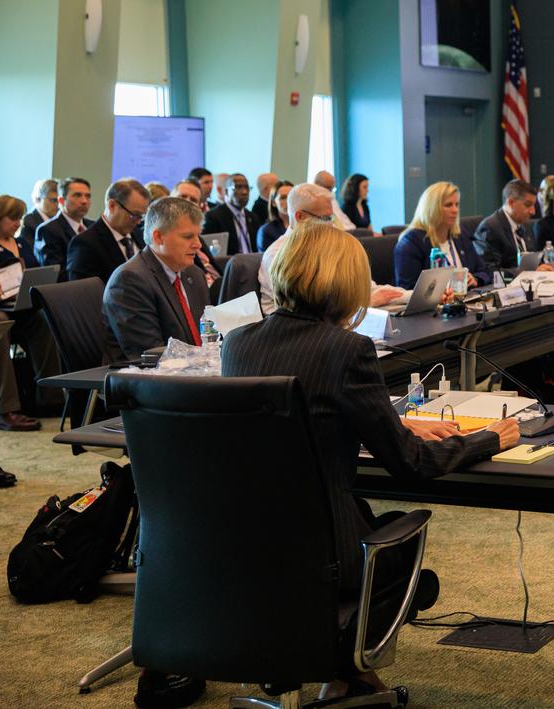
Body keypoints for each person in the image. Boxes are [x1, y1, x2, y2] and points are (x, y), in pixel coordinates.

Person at [221, 222, 518, 701]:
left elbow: (298, 420)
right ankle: (350, 670)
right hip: (328, 556)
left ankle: (346, 676)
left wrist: (393, 420)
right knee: (403, 545)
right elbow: (410, 462)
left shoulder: (238, 344)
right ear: (347, 282)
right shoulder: (348, 349)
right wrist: (488, 439)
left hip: (248, 549)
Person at [259, 183, 404, 316]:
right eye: (324, 219)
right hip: (297, 332)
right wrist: (366, 303)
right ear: (300, 217)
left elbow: (365, 287)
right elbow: (300, 312)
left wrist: (405, 296)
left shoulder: (328, 243)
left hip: (339, 318)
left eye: (331, 218)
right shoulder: (279, 254)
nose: (331, 225)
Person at [102, 197, 211, 362]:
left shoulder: (194, 274)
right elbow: (151, 354)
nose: (198, 244)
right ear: (159, 237)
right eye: (188, 237)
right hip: (149, 381)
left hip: (195, 373)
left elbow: (207, 336)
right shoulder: (129, 281)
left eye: (197, 236)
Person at [0, 197, 43, 431]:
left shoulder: (22, 243)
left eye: (20, 218)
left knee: (44, 319)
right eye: (12, 217)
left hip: (21, 304)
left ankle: (48, 395)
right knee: (0, 323)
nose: (17, 223)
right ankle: (5, 408)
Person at [394, 181, 490, 290]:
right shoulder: (411, 242)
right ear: (431, 208)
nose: (455, 210)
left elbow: (484, 270)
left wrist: (475, 278)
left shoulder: (461, 235)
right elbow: (407, 289)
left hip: (466, 300)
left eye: (457, 204)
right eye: (448, 205)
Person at [66, 179, 151, 284]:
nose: (138, 222)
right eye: (134, 215)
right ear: (112, 205)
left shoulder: (139, 235)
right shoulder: (85, 244)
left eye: (141, 216)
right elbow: (84, 294)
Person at [474, 179, 542, 273]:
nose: (533, 211)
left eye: (534, 205)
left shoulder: (524, 225)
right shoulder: (490, 228)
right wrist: (523, 272)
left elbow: (529, 259)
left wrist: (543, 266)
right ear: (511, 202)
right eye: (528, 205)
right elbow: (492, 272)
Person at [33, 176, 93, 276]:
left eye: (88, 196)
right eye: (77, 195)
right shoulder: (48, 230)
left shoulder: (92, 226)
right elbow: (56, 274)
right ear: (61, 200)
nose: (84, 201)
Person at [171, 180, 222, 292]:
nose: (187, 202)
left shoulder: (198, 237)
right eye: (182, 197)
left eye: (193, 200)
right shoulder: (168, 239)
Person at [202, 173, 260, 255]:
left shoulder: (253, 217)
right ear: (226, 191)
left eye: (247, 188)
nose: (244, 192)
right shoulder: (213, 217)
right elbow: (209, 251)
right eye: (238, 187)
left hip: (252, 263)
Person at [255, 179, 294, 252]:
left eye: (291, 196)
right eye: (283, 198)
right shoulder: (266, 231)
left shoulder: (306, 227)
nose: (288, 201)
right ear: (273, 202)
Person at [19, 179, 58, 245]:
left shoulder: (59, 219)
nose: (58, 205)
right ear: (38, 199)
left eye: (60, 200)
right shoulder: (29, 221)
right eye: (54, 200)